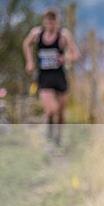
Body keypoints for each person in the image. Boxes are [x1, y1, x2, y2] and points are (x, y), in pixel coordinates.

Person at [23, 8, 80, 145]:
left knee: (60, 113)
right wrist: (29, 62)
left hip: (59, 76)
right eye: (48, 23)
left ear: (57, 22)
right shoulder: (37, 34)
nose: (51, 26)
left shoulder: (63, 35)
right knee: (51, 109)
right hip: (44, 76)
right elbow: (26, 44)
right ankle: (49, 131)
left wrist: (65, 59)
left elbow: (75, 54)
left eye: (53, 23)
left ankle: (58, 139)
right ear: (44, 22)